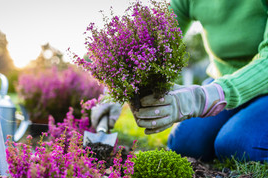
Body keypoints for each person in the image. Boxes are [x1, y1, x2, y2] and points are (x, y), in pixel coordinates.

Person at [91, 0, 268, 162]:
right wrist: (115, 92)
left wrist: (204, 97)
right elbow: (152, 42)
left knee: (237, 145)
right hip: (221, 80)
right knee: (186, 144)